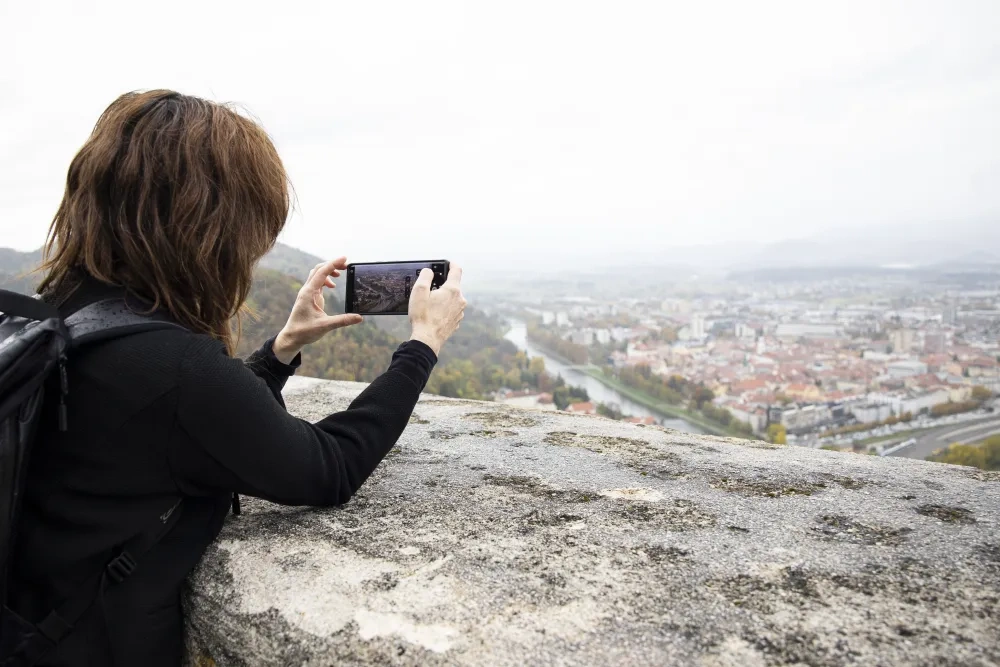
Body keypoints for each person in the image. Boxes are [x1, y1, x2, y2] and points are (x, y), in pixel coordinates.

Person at [7, 90, 466, 666]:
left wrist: (280, 349)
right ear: (211, 230)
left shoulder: (63, 314)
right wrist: (422, 345)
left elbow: (187, 422)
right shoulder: (176, 370)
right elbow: (328, 467)